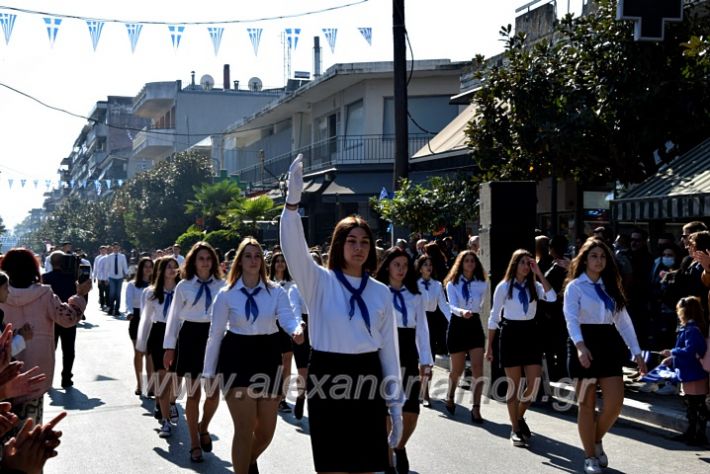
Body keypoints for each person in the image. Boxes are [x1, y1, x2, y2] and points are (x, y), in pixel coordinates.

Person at [279, 154, 403, 474]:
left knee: (366, 466)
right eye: (351, 240)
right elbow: (294, 249)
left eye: (364, 241)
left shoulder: (380, 292)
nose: (359, 247)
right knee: (333, 466)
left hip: (368, 375)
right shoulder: (319, 281)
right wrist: (292, 206)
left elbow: (389, 351)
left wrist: (396, 407)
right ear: (339, 244)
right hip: (328, 375)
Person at [202, 237, 303, 474]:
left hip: (268, 355)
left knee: (266, 432)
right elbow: (215, 335)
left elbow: (287, 317)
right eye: (248, 255)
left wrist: (296, 329)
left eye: (257, 255)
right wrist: (208, 373)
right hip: (236, 355)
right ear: (239, 260)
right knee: (244, 428)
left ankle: (247, 461)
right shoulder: (226, 295)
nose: (253, 260)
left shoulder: (275, 292)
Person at [563, 238, 647, 474]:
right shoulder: (575, 287)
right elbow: (570, 318)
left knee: (614, 404)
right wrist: (580, 346)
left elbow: (624, 322)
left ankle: (595, 439)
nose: (598, 260)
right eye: (594, 256)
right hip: (583, 342)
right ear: (585, 259)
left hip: (608, 344)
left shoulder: (611, 286)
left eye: (602, 256)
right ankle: (589, 456)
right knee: (586, 405)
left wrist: (637, 353)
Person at [0, 248, 90, 426]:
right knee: (31, 427)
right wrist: (80, 296)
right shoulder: (44, 294)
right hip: (37, 369)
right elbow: (68, 318)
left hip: (4, 371)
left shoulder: (2, 294)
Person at [487, 249, 556, 447]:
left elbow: (551, 297)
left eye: (529, 263)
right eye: (523, 263)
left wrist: (539, 273)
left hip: (530, 333)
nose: (526, 266)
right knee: (514, 386)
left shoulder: (535, 286)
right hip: (510, 334)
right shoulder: (504, 286)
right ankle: (515, 429)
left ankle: (518, 417)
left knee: (533, 385)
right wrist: (489, 346)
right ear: (515, 264)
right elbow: (493, 316)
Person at [163, 242, 224, 463]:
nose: (205, 262)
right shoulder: (183, 286)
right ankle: (194, 443)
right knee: (193, 394)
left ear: (213, 261)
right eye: (201, 258)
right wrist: (169, 347)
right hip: (189, 337)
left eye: (209, 258)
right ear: (193, 261)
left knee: (213, 394)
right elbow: (173, 318)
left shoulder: (223, 285)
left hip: (215, 338)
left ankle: (204, 427)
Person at [375, 247, 432, 474]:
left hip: (408, 351)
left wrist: (425, 361)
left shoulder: (416, 294)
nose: (401, 269)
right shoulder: (376, 292)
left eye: (405, 265)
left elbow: (423, 330)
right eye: (396, 264)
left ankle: (399, 446)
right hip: (384, 350)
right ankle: (388, 461)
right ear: (387, 265)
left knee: (411, 411)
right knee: (387, 410)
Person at [136, 257, 180, 439]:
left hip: (178, 334)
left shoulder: (183, 290)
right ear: (161, 270)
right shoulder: (150, 292)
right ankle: (166, 421)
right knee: (162, 377)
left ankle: (170, 403)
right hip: (159, 333)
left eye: (175, 267)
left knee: (177, 379)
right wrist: (142, 342)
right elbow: (145, 319)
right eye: (169, 267)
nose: (172, 270)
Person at [444, 250, 488, 423]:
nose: (470, 263)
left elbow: (482, 303)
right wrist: (463, 311)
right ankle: (450, 395)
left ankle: (476, 408)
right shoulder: (452, 284)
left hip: (474, 324)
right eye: (466, 261)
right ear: (461, 264)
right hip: (458, 324)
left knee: (478, 368)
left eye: (472, 261)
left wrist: (472, 311)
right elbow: (452, 306)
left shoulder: (482, 283)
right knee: (457, 369)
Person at [660, 296, 708, 445]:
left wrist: (672, 352)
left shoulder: (691, 330)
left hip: (694, 373)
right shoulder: (692, 328)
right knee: (693, 406)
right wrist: (672, 359)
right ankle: (693, 433)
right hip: (692, 372)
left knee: (696, 406)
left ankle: (697, 435)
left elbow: (690, 350)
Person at [415, 254, 451, 406]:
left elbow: (443, 305)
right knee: (424, 359)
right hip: (418, 322)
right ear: (420, 267)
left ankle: (423, 387)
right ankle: (426, 394)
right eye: (425, 264)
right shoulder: (414, 284)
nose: (428, 267)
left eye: (430, 264)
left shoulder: (437, 285)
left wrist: (454, 321)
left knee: (430, 361)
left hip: (433, 323)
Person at [41, 251, 80, 389]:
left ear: (51, 263)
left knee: (50, 350)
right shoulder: (72, 278)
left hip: (50, 319)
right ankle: (66, 377)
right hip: (68, 317)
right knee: (69, 349)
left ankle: (47, 377)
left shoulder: (44, 278)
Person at [268, 251, 296, 414]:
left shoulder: (292, 284)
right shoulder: (268, 283)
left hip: (287, 327)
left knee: (287, 361)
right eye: (277, 261)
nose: (279, 263)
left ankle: (283, 398)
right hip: (271, 327)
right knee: (274, 363)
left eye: (282, 261)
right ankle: (272, 392)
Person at [124, 257, 154, 396]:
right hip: (136, 318)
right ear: (140, 268)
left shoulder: (156, 285)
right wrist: (129, 313)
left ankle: (151, 385)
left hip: (152, 320)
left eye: (150, 266)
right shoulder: (132, 285)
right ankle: (139, 384)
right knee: (139, 353)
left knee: (150, 354)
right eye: (145, 266)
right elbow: (128, 302)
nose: (148, 269)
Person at [107, 243, 129, 317]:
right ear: (112, 248)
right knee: (112, 293)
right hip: (111, 277)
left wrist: (127, 274)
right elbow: (107, 267)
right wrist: (106, 278)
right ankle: (111, 308)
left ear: (119, 248)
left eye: (117, 248)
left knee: (118, 294)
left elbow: (125, 266)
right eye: (114, 248)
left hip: (120, 277)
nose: (116, 249)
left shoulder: (122, 256)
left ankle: (117, 310)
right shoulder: (109, 256)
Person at [92, 245, 109, 311]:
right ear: (100, 251)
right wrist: (95, 277)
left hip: (107, 278)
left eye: (104, 250)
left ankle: (107, 303)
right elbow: (95, 268)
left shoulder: (108, 257)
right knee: (101, 291)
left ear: (106, 250)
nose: (103, 251)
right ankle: (102, 304)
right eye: (101, 250)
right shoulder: (97, 258)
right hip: (100, 278)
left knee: (107, 291)